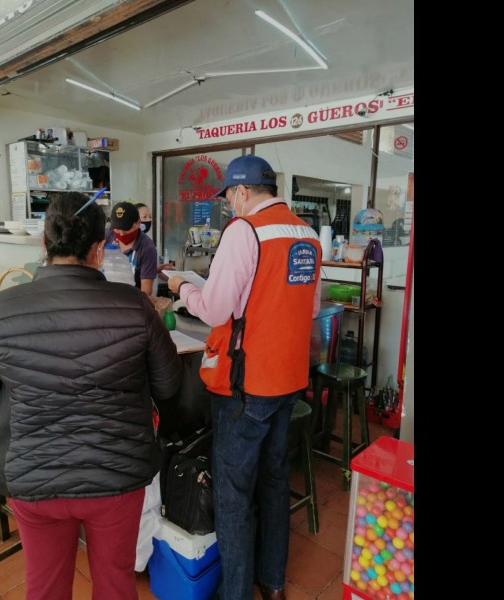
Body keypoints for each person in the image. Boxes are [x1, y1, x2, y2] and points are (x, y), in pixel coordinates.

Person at [0, 190, 183, 600]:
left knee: (45, 589)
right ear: (99, 250)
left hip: (35, 476)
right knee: (116, 586)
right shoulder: (136, 307)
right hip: (117, 476)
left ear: (44, 243)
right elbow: (170, 386)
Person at [167, 155, 322, 600]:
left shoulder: (245, 230)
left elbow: (216, 309)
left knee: (234, 492)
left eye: (230, 197)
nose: (230, 205)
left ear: (241, 191)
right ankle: (272, 583)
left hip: (247, 385)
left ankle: (235, 593)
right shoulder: (307, 234)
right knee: (274, 480)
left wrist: (183, 288)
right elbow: (309, 307)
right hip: (289, 380)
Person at [106, 201, 159, 295]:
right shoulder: (107, 235)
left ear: (138, 223)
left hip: (132, 299)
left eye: (126, 230)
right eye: (117, 229)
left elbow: (146, 293)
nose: (121, 234)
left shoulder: (147, 248)